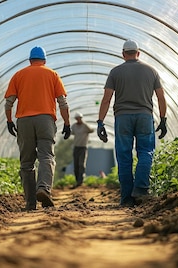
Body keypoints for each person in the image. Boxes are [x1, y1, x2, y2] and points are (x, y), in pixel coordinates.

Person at [96, 39, 167, 207]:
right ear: (138, 53)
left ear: (123, 54)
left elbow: (106, 99)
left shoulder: (115, 72)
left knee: (124, 156)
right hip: (144, 116)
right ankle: (141, 188)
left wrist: (100, 122)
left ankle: (127, 198)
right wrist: (163, 119)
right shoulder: (151, 71)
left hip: (123, 118)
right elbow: (161, 97)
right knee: (145, 151)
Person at [4, 46, 71, 210]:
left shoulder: (19, 75)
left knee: (26, 162)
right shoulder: (52, 74)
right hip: (45, 120)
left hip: (24, 121)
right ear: (44, 60)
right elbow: (63, 103)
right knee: (46, 156)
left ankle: (30, 203)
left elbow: (9, 102)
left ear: (30, 60)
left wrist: (9, 121)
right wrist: (67, 123)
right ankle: (43, 188)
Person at [70, 112, 94, 188]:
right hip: (76, 147)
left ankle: (81, 181)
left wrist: (85, 124)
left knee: (81, 164)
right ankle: (77, 180)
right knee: (76, 165)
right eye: (77, 118)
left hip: (83, 147)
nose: (78, 120)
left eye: (80, 118)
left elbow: (91, 130)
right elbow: (72, 133)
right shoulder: (74, 126)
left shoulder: (85, 126)